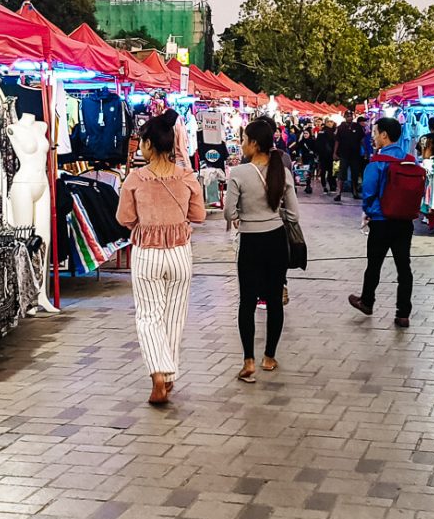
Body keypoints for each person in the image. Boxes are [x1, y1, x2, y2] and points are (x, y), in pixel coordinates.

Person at [116, 110, 205, 406]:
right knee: (174, 316)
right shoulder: (187, 177)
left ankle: (157, 372)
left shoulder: (135, 179)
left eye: (142, 142)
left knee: (148, 316)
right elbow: (199, 215)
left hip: (147, 254)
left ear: (150, 145)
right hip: (180, 253)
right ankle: (168, 378)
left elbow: (124, 218)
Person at [225, 118, 299, 383]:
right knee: (274, 298)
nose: (241, 144)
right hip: (277, 239)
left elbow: (228, 212)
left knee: (247, 301)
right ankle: (269, 356)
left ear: (254, 144)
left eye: (244, 139)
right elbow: (294, 213)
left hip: (251, 241)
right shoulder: (283, 171)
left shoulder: (239, 174)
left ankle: (248, 361)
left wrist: (244, 215)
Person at [349, 117, 414, 328]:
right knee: (404, 267)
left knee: (374, 265)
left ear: (384, 135)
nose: (373, 137)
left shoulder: (377, 162)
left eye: (375, 132)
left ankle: (367, 301)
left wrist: (368, 211)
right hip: (404, 222)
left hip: (381, 221)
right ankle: (403, 313)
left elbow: (368, 192)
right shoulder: (410, 160)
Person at [334, 115, 365, 201]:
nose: (349, 118)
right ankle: (339, 193)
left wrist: (365, 150)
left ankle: (355, 192)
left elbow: (361, 139)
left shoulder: (357, 126)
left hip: (355, 155)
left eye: (350, 116)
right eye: (347, 116)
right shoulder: (340, 127)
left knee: (355, 174)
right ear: (345, 117)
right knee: (342, 174)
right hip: (344, 154)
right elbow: (337, 141)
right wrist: (335, 153)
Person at [314, 121, 337, 194]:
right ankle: (331, 186)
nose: (331, 124)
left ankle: (325, 186)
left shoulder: (321, 132)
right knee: (330, 171)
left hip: (323, 155)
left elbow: (317, 144)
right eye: (330, 122)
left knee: (324, 171)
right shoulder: (331, 132)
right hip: (329, 155)